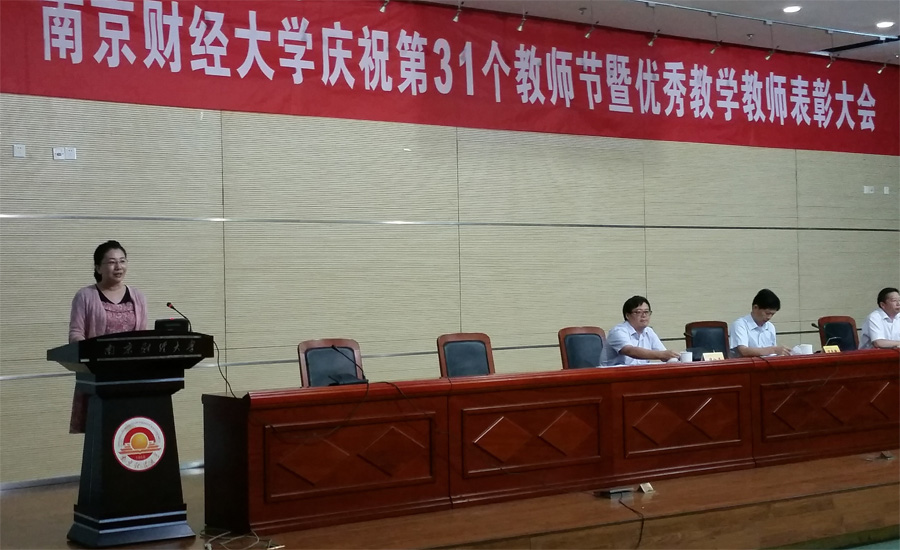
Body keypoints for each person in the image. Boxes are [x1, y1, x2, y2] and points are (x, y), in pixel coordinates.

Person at [68, 240, 148, 433]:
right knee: (102, 434)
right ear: (98, 267)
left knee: (130, 432)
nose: (118, 267)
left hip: (131, 376)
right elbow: (75, 334)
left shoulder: (138, 296)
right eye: (112, 262)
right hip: (98, 376)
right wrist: (91, 353)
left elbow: (143, 337)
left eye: (122, 261)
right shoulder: (85, 296)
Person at [607, 295, 679, 365]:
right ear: (627, 315)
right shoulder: (618, 331)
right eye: (638, 312)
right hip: (615, 372)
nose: (644, 315)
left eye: (646, 312)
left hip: (640, 371)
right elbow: (630, 351)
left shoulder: (649, 331)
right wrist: (662, 354)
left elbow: (664, 354)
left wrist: (674, 356)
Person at [730, 289, 791, 357]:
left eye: (772, 314)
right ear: (755, 308)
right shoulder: (740, 324)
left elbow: (773, 355)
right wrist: (773, 350)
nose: (769, 317)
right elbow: (743, 351)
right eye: (767, 313)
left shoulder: (770, 327)